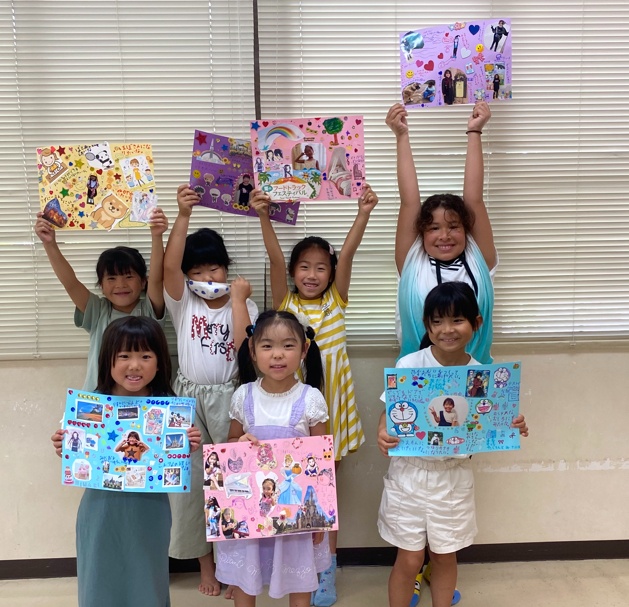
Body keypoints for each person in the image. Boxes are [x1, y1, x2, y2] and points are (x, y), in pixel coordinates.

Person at [251, 183, 378, 607]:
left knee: (324, 491)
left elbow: (350, 251)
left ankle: (324, 570)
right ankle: (285, 564)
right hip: (290, 409)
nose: (312, 274)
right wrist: (264, 215)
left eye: (321, 267)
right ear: (292, 273)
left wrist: (363, 212)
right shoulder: (286, 303)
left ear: (331, 272)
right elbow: (274, 257)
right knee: (288, 485)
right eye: (304, 266)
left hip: (332, 407)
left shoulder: (336, 301)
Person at [377, 282, 528, 607]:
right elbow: (390, 411)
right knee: (409, 558)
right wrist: (383, 431)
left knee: (445, 556)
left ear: (476, 323)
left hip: (453, 476)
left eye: (457, 320)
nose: (447, 329)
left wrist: (513, 424)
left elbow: (494, 421)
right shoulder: (409, 366)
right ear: (427, 325)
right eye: (437, 321)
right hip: (409, 474)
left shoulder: (481, 376)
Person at [51, 316, 201, 607]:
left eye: (145, 356)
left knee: (147, 576)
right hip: (101, 508)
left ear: (159, 362)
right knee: (99, 576)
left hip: (149, 510)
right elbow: (77, 452)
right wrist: (63, 446)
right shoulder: (91, 407)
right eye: (124, 356)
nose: (134, 365)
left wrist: (189, 444)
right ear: (107, 360)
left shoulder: (170, 409)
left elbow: (171, 458)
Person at [163, 184, 258, 597]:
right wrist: (182, 215)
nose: (206, 278)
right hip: (186, 398)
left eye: (214, 269)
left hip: (229, 397)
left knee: (232, 480)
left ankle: (234, 566)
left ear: (226, 268)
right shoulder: (183, 301)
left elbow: (243, 349)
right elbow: (169, 267)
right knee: (190, 484)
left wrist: (238, 300)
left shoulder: (245, 304)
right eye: (197, 271)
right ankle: (207, 566)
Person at [214, 309, 331, 607]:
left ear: (304, 350)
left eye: (288, 345)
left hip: (294, 513)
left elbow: (322, 464)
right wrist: (239, 443)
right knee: (246, 579)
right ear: (253, 351)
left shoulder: (310, 398)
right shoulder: (243, 396)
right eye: (267, 346)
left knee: (298, 580)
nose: (277, 355)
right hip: (251, 510)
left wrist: (321, 520)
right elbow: (230, 445)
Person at [386, 101, 496, 365]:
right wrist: (402, 136)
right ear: (422, 233)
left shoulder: (479, 258)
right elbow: (409, 201)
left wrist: (475, 131)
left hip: (474, 377)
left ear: (466, 229)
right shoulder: (412, 261)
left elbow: (474, 199)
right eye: (434, 228)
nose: (444, 235)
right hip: (417, 377)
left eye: (454, 226)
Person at [34, 208, 168, 391]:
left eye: (129, 276)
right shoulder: (98, 311)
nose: (120, 285)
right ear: (101, 286)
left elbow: (158, 279)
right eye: (111, 278)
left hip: (146, 402)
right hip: (98, 401)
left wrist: (157, 236)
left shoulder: (149, 310)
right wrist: (50, 244)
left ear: (144, 281)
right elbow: (70, 283)